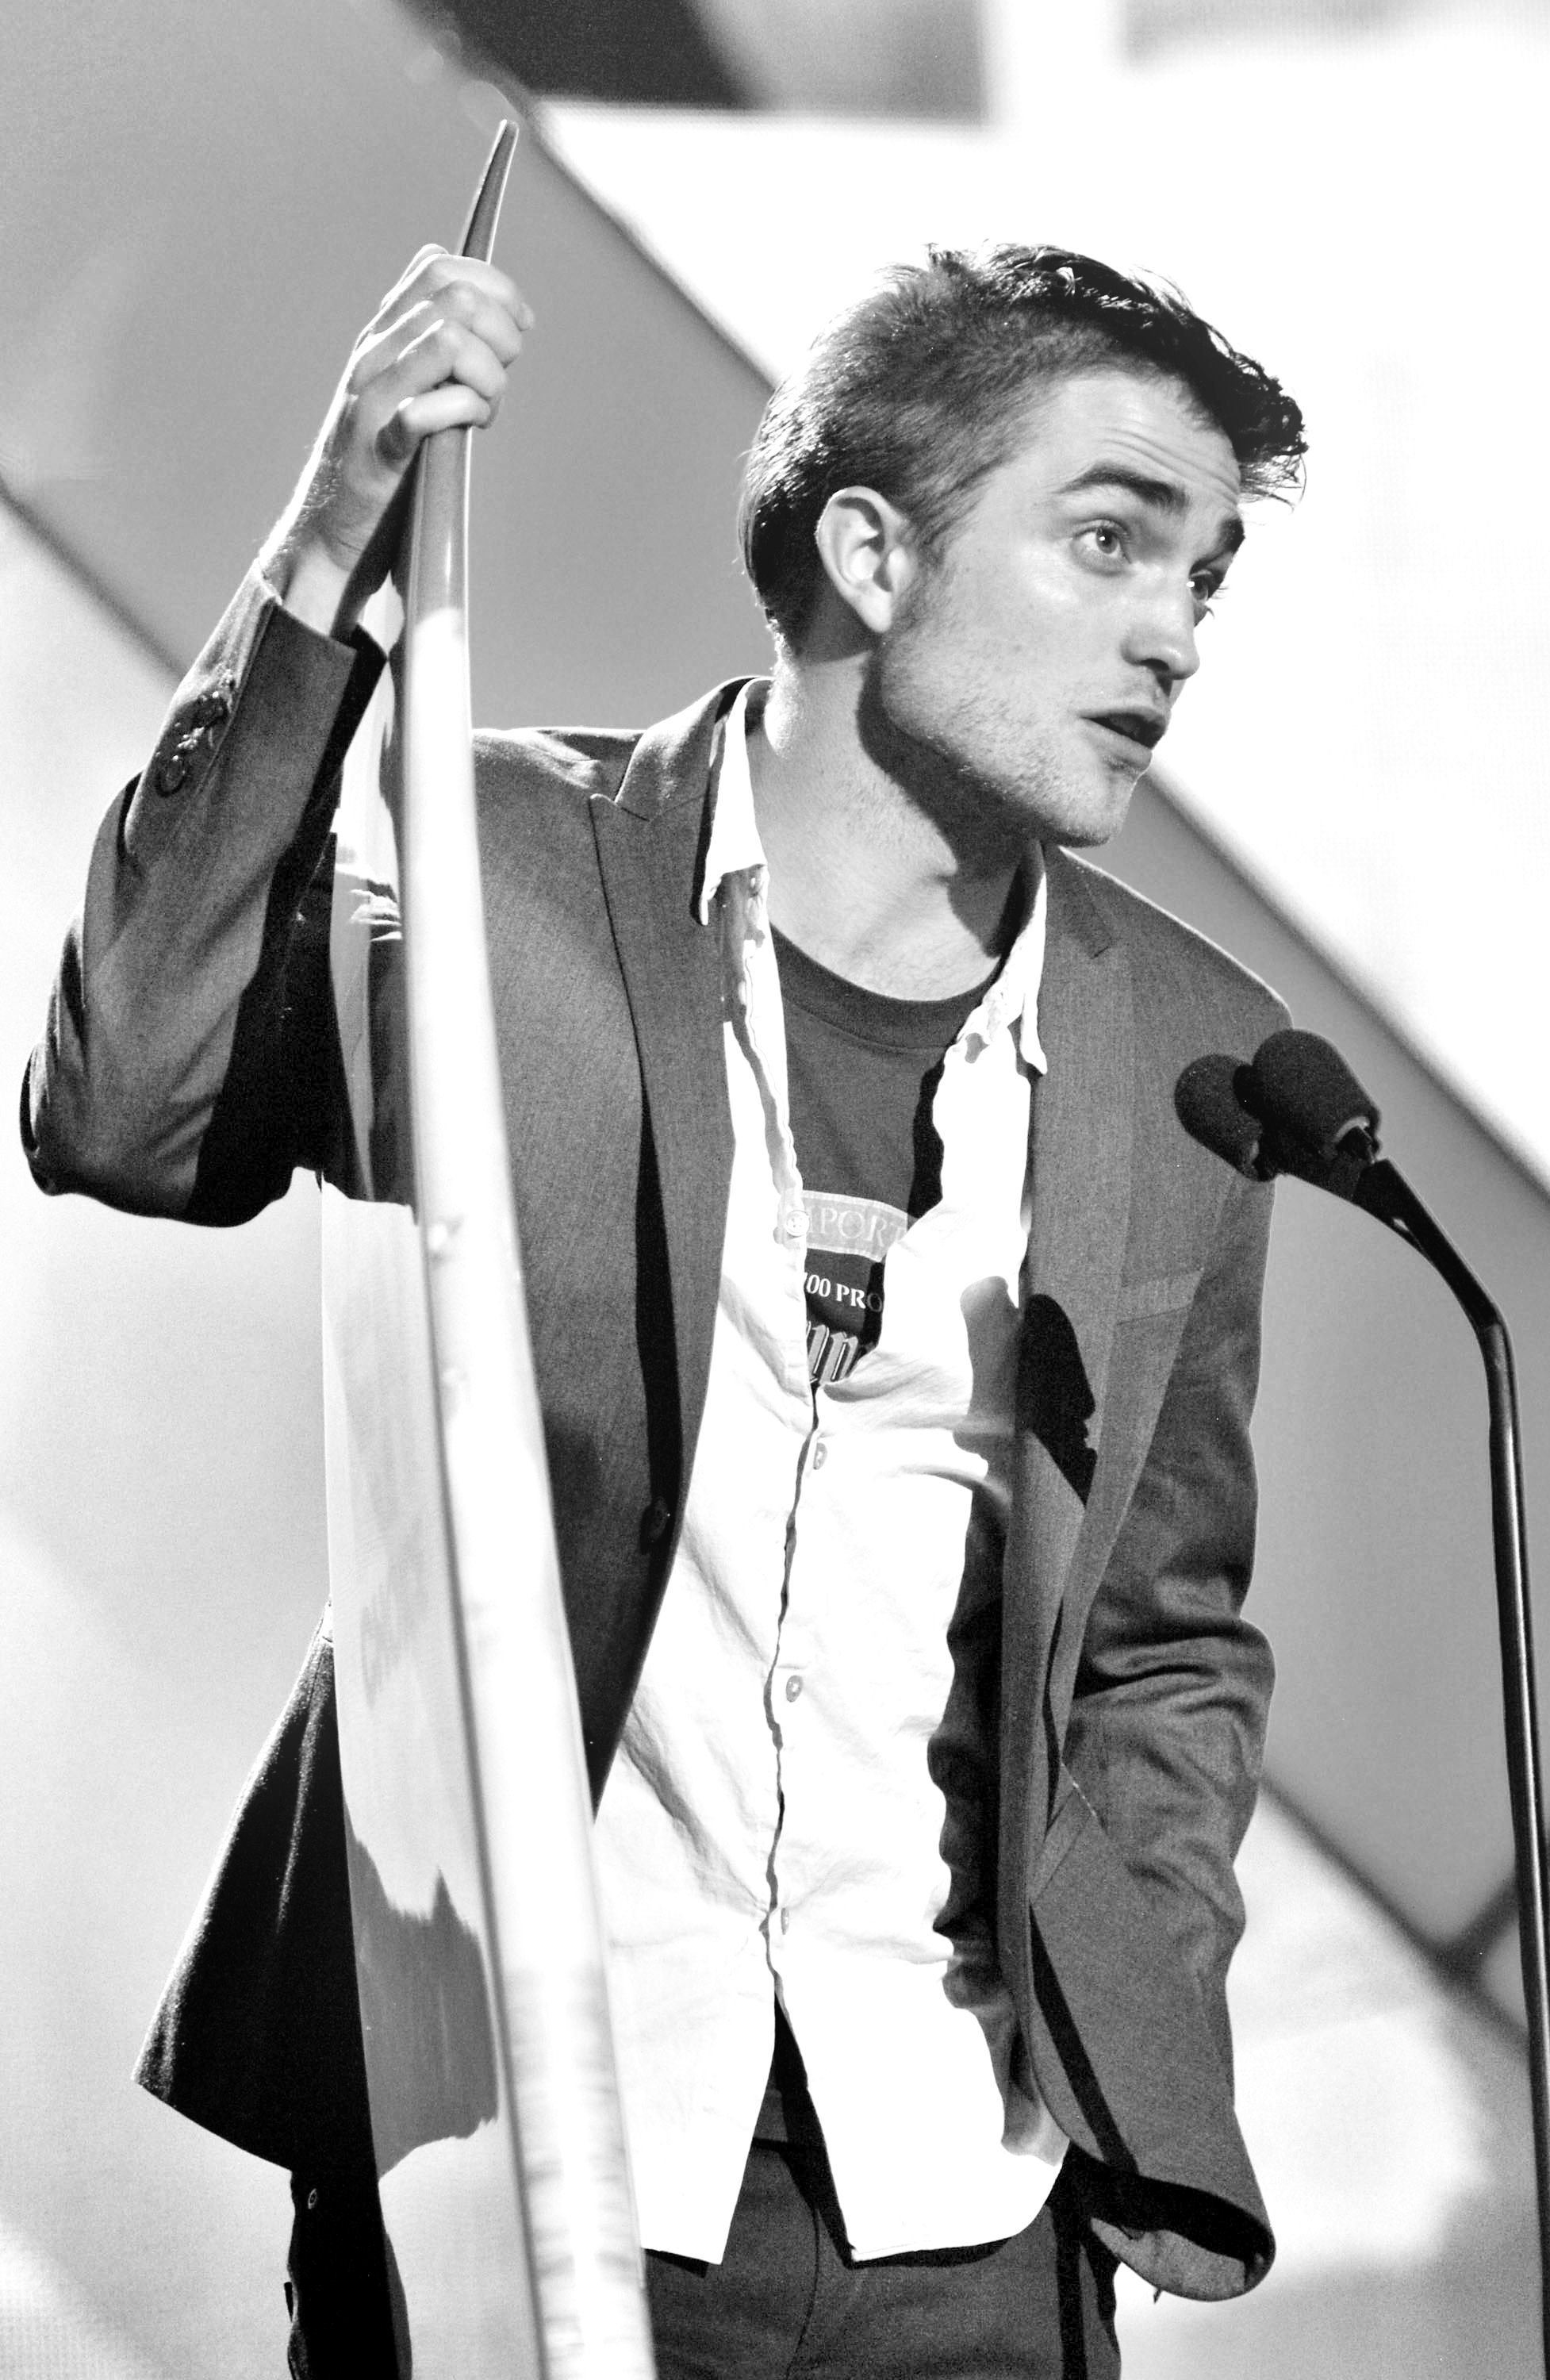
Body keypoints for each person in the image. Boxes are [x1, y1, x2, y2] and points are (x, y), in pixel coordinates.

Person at [25, 238, 1304, 2377]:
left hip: (967, 2202)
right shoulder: (504, 864)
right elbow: (129, 1103)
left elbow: (1168, 1632)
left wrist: (1128, 2025)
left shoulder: (1193, 1057)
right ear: (871, 553)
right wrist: (336, 536)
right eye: (1111, 543)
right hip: (522, 2154)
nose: (1173, 631)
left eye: (1205, 579)